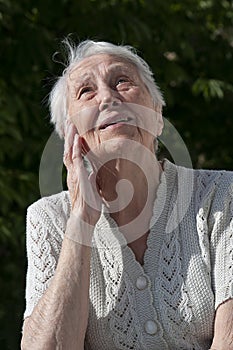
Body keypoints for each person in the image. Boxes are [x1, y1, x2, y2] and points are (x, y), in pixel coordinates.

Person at [21, 39, 233, 350]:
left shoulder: (221, 195)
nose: (108, 97)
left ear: (157, 116)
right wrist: (81, 219)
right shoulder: (48, 219)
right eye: (86, 92)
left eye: (122, 81)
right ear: (70, 137)